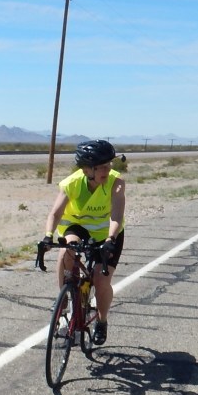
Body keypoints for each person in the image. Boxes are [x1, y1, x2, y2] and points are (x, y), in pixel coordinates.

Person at [40, 139, 127, 345]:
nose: (107, 170)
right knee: (66, 251)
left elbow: (116, 215)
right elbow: (56, 213)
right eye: (101, 167)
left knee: (101, 280)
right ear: (87, 169)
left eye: (109, 165)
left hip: (108, 233)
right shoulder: (72, 183)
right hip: (77, 228)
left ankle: (102, 321)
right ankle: (64, 300)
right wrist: (48, 236)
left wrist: (110, 239)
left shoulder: (116, 183)